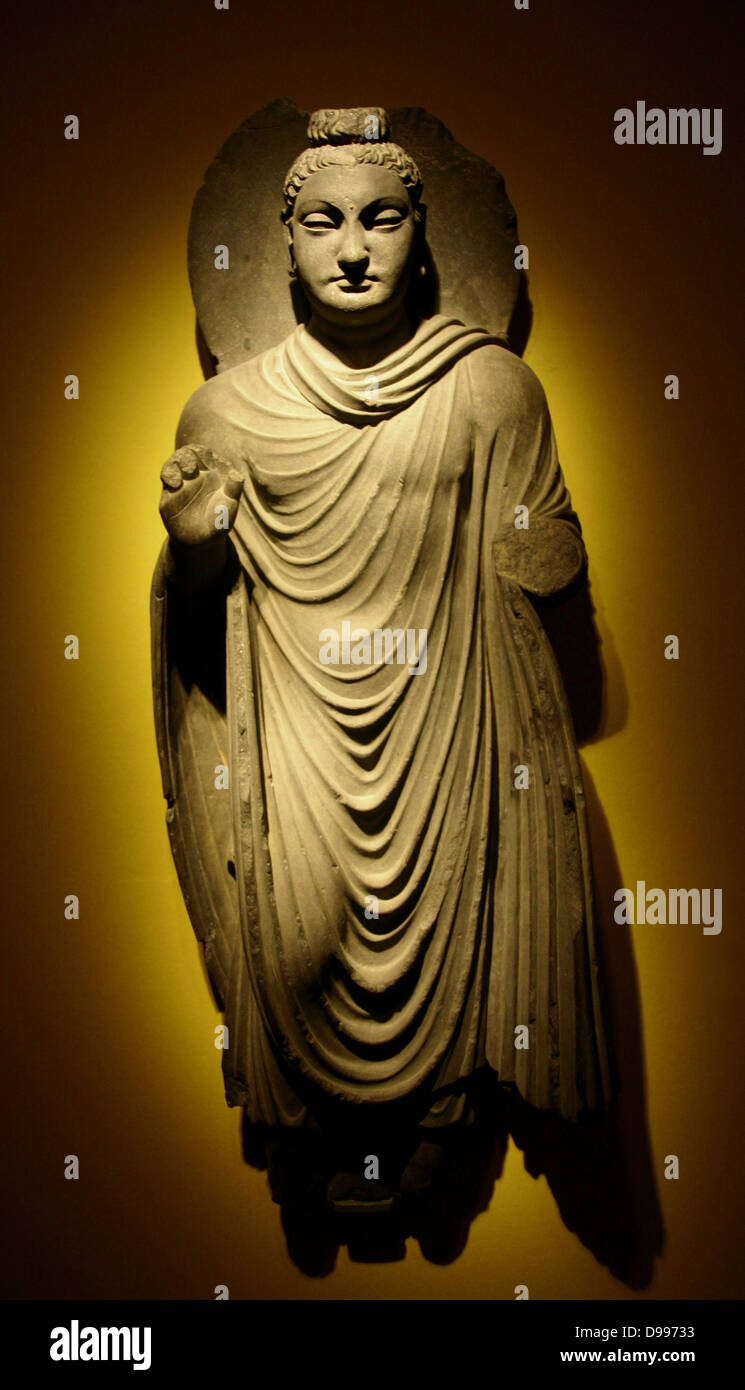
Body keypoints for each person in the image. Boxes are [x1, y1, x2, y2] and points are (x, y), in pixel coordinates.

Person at [152, 108, 615, 1202]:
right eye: (323, 222)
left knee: (454, 938)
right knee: (303, 940)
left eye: (383, 218)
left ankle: (439, 1123)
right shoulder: (225, 408)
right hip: (296, 739)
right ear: (284, 240)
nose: (354, 248)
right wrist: (195, 545)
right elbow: (194, 633)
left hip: (445, 720)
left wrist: (542, 548)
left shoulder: (491, 388)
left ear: (422, 231)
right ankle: (316, 1126)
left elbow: (541, 561)